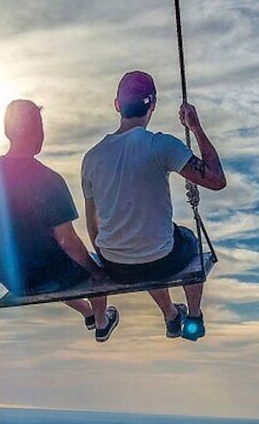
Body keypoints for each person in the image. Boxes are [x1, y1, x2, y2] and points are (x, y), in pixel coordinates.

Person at [0, 99, 119, 342]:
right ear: (38, 132)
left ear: (8, 132)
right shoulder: (49, 180)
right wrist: (97, 272)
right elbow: (67, 240)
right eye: (39, 126)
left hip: (14, 278)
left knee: (51, 263)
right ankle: (102, 321)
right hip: (51, 274)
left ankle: (87, 313)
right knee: (89, 264)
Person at [81, 71, 226, 340]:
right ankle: (193, 316)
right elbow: (217, 180)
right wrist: (195, 127)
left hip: (115, 264)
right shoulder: (161, 146)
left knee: (147, 241)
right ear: (153, 105)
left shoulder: (91, 158)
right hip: (160, 260)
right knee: (184, 240)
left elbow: (93, 225)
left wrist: (106, 255)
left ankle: (171, 316)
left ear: (117, 105)